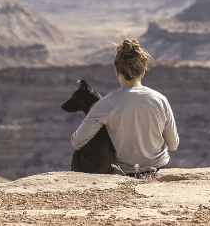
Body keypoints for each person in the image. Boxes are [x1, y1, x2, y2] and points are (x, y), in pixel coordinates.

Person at [71, 38, 179, 177]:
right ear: (143, 71)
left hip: (126, 174)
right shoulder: (160, 100)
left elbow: (77, 142)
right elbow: (173, 145)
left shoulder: (106, 103)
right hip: (160, 169)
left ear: (117, 71)